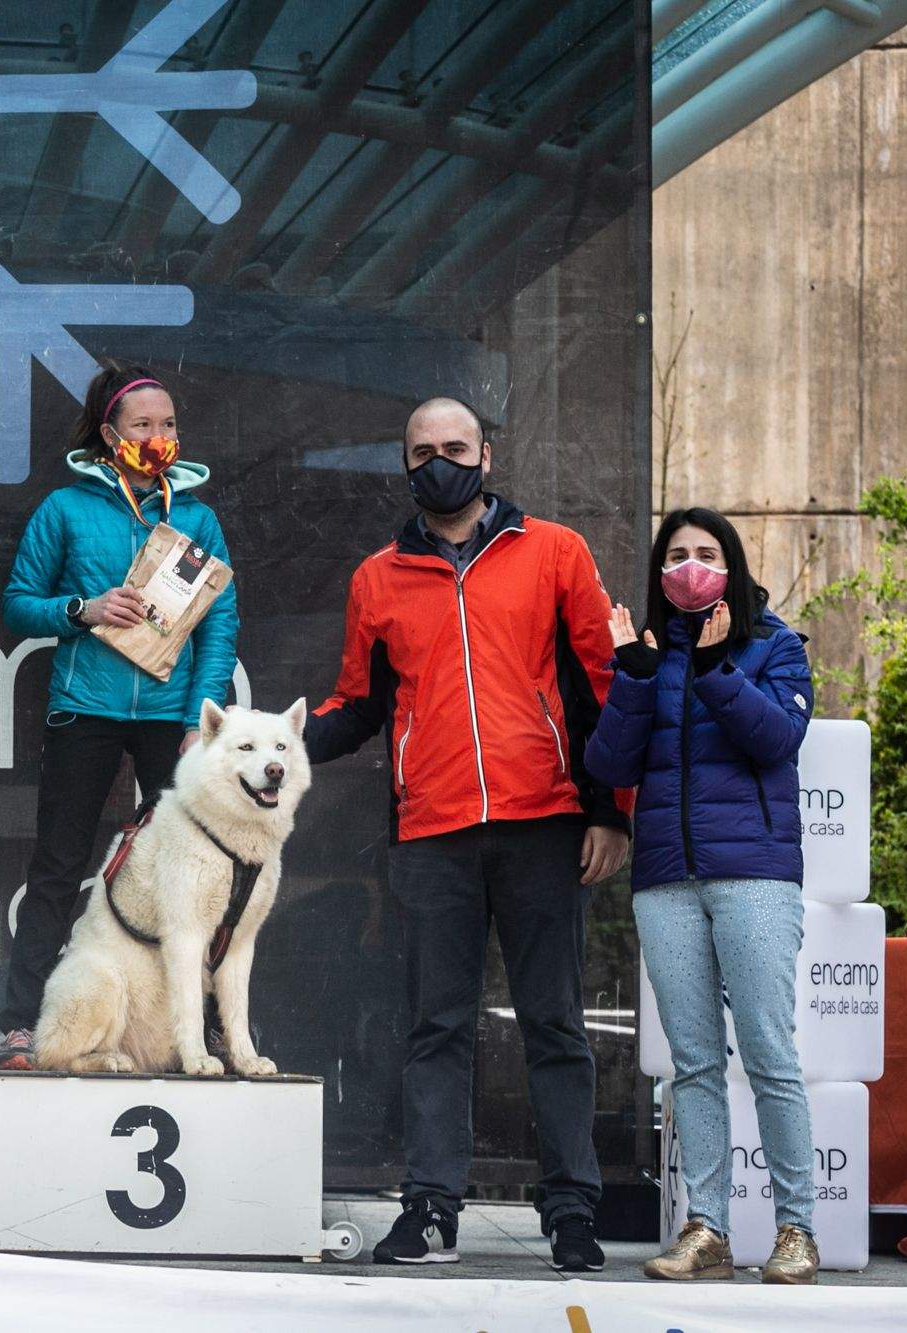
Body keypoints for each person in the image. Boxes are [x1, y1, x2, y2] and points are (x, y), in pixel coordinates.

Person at [303, 397, 629, 1272]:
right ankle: (431, 1207)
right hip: (432, 831)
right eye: (423, 451)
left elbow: (601, 687)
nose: (439, 461)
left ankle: (571, 1211)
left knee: (555, 1022)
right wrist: (272, 741)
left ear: (487, 455)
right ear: (404, 463)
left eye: (455, 446)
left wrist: (610, 810)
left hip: (545, 823)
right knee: (435, 1026)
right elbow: (357, 704)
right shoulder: (377, 577)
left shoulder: (556, 551)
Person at [584, 508, 818, 1284]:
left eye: (707, 552)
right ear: (659, 570)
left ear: (732, 564)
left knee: (769, 1053)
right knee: (693, 1063)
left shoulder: (775, 644)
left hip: (754, 875)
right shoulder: (650, 655)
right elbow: (610, 764)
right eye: (677, 553)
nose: (691, 565)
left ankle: (797, 1228)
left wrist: (718, 669)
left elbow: (777, 740)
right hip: (666, 881)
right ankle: (707, 1227)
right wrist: (633, 677)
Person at [0, 361, 239, 1070]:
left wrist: (199, 721)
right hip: (85, 707)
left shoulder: (197, 518)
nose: (159, 436)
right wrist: (84, 609)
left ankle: (205, 1026)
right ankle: (20, 1024)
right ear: (110, 434)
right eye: (143, 425)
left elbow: (220, 624)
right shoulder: (65, 510)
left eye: (168, 424)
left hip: (171, 717)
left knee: (196, 876)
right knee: (58, 864)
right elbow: (17, 603)